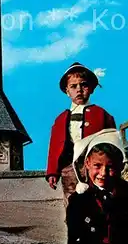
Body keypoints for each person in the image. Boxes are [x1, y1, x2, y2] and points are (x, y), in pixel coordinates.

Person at [66, 128, 128, 244]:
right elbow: (77, 242)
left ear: (121, 167)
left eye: (110, 168)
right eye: (97, 166)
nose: (103, 173)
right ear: (87, 163)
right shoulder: (78, 200)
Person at [46, 62, 116, 205]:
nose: (79, 90)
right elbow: (54, 147)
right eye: (73, 86)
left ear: (91, 88)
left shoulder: (102, 115)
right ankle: (73, 226)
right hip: (69, 167)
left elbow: (113, 143)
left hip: (95, 166)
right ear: (67, 91)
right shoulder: (60, 119)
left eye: (83, 85)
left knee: (98, 200)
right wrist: (52, 172)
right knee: (72, 202)